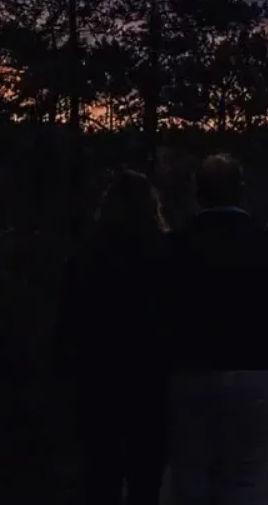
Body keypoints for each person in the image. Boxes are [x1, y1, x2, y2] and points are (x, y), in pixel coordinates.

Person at [168, 153, 268, 505]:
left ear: (197, 193)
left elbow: (155, 316)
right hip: (255, 375)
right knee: (245, 480)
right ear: (241, 191)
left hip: (188, 376)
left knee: (190, 479)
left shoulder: (174, 246)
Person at [55, 170, 172, 505]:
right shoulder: (164, 256)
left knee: (99, 477)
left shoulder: (85, 258)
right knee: (145, 481)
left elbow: (68, 324)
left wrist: (64, 376)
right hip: (150, 384)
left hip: (97, 381)